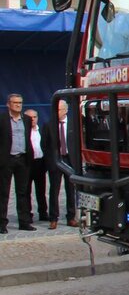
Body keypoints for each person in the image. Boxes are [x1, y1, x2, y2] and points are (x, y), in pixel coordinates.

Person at [0, 94, 36, 232]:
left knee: (23, 192)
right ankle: (2, 224)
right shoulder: (2, 119)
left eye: (20, 103)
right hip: (7, 160)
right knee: (4, 193)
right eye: (15, 103)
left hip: (23, 159)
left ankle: (24, 222)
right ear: (8, 104)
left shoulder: (26, 119)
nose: (18, 105)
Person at [43, 99, 78, 229]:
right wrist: (51, 161)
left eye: (58, 109)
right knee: (54, 190)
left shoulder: (74, 125)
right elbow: (44, 145)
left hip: (70, 160)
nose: (56, 112)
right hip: (56, 160)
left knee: (70, 190)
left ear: (65, 110)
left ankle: (71, 217)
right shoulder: (49, 125)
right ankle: (53, 218)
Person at [24, 109, 49, 222]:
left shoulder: (42, 129)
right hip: (27, 164)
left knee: (41, 191)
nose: (33, 119)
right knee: (25, 191)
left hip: (40, 163)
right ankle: (27, 214)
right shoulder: (23, 131)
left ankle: (43, 213)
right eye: (30, 117)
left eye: (35, 117)